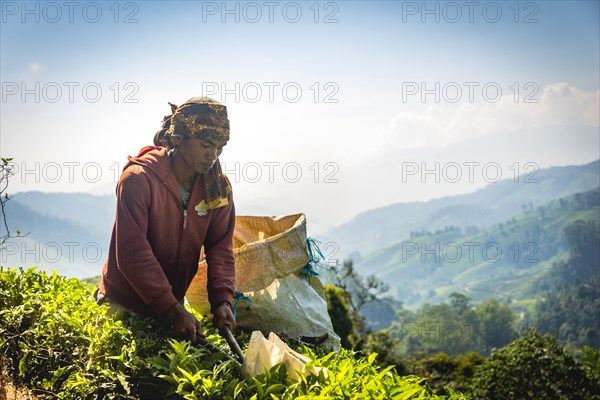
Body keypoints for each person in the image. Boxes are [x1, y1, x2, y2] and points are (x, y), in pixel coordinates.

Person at [97, 97, 236, 344]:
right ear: (180, 139)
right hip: (122, 303)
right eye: (205, 145)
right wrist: (173, 308)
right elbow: (133, 254)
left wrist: (223, 301)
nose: (213, 155)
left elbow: (220, 249)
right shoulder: (138, 180)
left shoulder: (216, 189)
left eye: (219, 147)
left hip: (171, 306)